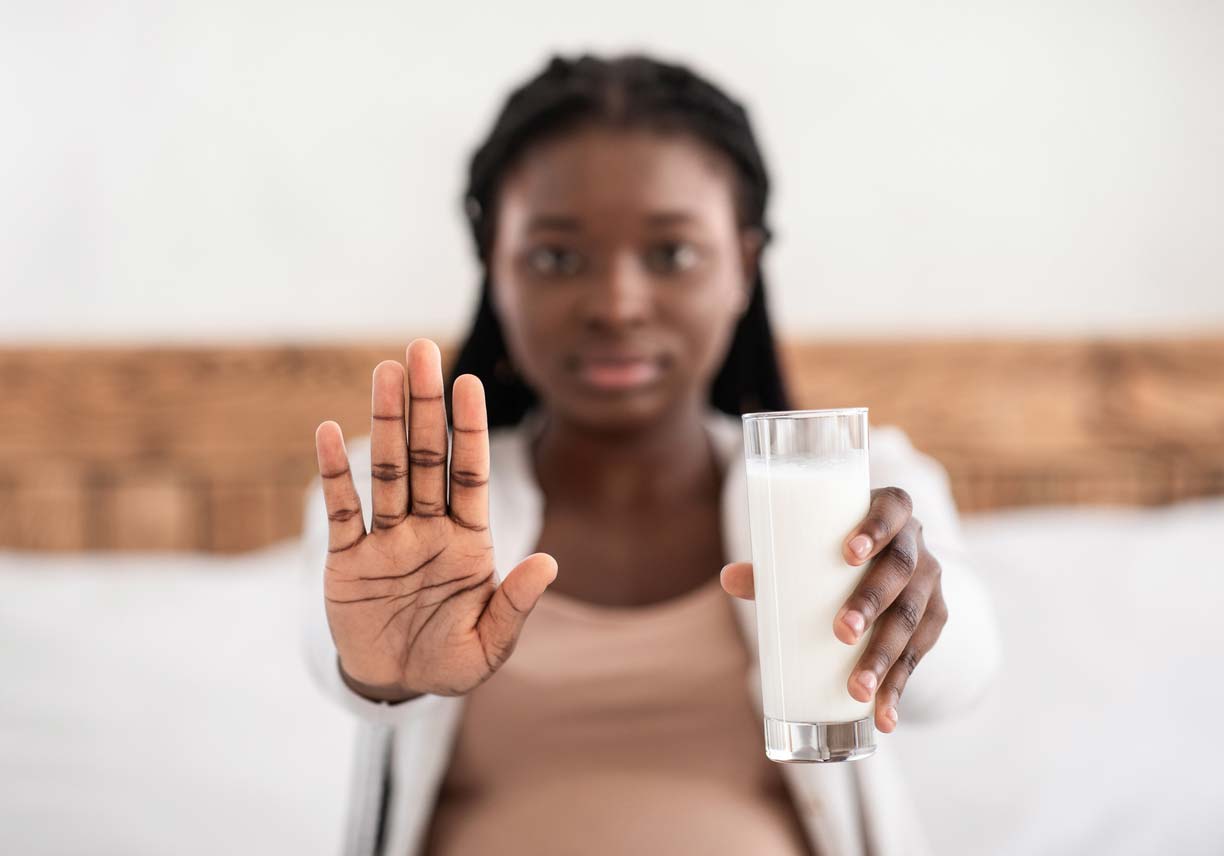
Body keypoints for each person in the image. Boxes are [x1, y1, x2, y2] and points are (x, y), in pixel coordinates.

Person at [300, 53, 1001, 856]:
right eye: (558, 258)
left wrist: (911, 621)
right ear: (494, 263)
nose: (617, 305)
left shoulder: (857, 491)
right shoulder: (398, 504)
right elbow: (331, 653)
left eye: (671, 255)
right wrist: (384, 676)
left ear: (743, 262)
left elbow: (968, 673)